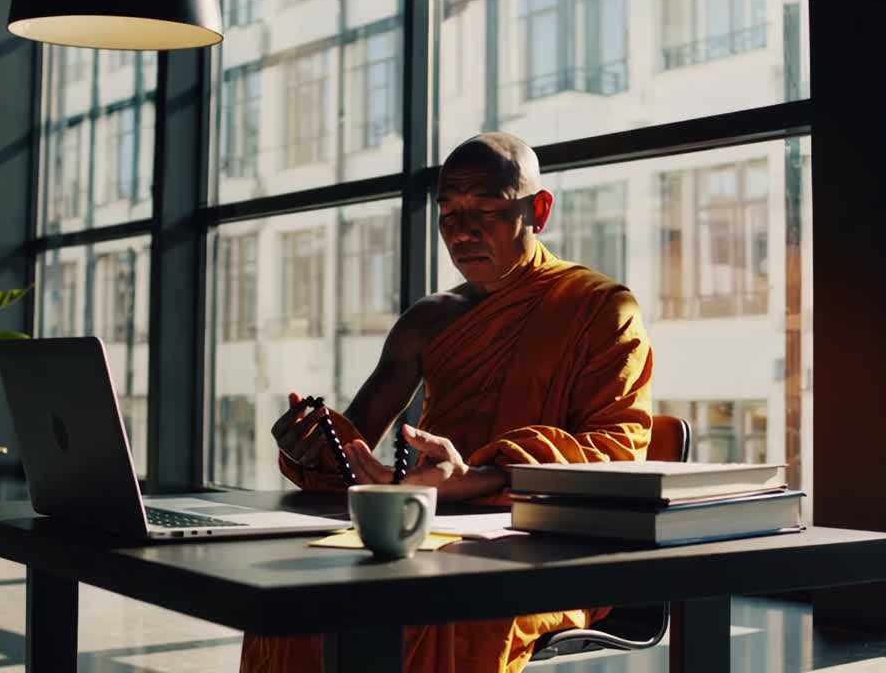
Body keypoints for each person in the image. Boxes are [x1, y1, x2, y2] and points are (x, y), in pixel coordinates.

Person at [240, 132, 654, 673]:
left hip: (548, 546)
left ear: (539, 210)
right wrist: (312, 445)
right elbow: (355, 447)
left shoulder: (602, 308)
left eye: (487, 208)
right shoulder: (427, 320)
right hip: (428, 528)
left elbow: (618, 451)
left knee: (462, 614)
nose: (463, 232)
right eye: (450, 213)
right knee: (295, 601)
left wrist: (480, 476)